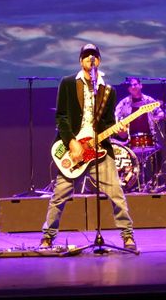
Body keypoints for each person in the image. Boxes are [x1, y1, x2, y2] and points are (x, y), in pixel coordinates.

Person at [41, 43, 137, 251]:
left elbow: (109, 121)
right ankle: (47, 237)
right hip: (73, 149)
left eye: (94, 56)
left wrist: (120, 131)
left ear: (99, 61)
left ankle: (127, 235)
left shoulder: (108, 91)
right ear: (80, 61)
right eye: (86, 56)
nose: (90, 59)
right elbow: (61, 117)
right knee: (59, 195)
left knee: (116, 193)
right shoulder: (67, 83)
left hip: (99, 149)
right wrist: (72, 142)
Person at [114, 77, 166, 153]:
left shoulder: (149, 100)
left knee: (158, 151)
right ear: (128, 89)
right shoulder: (124, 103)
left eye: (135, 84)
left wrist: (157, 117)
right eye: (130, 85)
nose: (133, 87)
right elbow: (116, 116)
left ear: (140, 85)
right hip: (130, 141)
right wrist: (121, 126)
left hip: (149, 138)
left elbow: (160, 112)